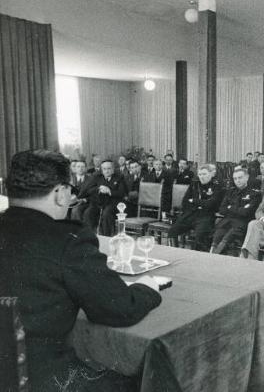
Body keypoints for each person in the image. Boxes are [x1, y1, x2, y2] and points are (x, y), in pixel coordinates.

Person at [0, 149, 161, 391]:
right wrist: (147, 288)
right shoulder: (68, 239)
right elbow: (117, 309)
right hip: (42, 379)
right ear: (60, 195)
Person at [168, 164, 224, 251]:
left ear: (210, 174)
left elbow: (212, 204)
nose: (202, 177)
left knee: (200, 236)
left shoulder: (216, 186)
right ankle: (173, 252)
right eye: (200, 174)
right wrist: (200, 204)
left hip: (205, 216)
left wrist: (194, 201)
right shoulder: (194, 184)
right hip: (191, 214)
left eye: (204, 174)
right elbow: (185, 202)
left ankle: (197, 257)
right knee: (172, 231)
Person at [211, 168, 261, 255]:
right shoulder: (230, 191)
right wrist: (238, 209)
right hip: (226, 222)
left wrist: (230, 207)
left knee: (226, 239)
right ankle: (213, 253)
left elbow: (246, 212)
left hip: (241, 224)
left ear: (247, 177)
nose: (237, 181)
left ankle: (213, 257)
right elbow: (222, 209)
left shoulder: (255, 194)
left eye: (240, 178)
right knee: (216, 237)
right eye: (235, 179)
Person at [82, 160, 127, 235]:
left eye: (109, 169)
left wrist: (109, 191)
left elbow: (122, 193)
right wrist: (99, 189)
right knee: (88, 213)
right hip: (98, 203)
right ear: (102, 170)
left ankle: (107, 236)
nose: (107, 171)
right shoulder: (97, 178)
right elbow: (89, 190)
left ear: (113, 169)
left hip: (113, 203)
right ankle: (89, 236)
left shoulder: (119, 177)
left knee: (106, 214)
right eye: (104, 169)